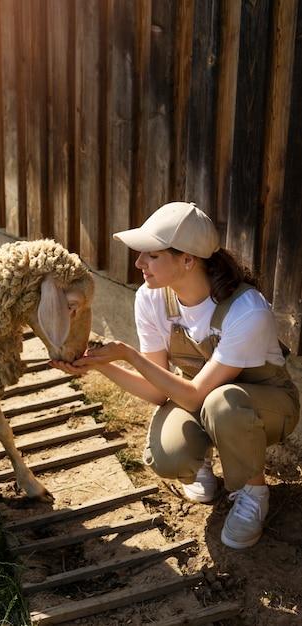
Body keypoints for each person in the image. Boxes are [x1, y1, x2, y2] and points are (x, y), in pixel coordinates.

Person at [51, 201, 300, 549]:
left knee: (221, 403)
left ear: (187, 260)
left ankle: (253, 492)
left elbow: (198, 396)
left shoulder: (247, 310)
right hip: (202, 397)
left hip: (268, 406)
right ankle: (202, 462)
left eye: (151, 255)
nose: (139, 263)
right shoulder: (151, 300)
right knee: (166, 455)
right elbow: (158, 394)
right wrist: (100, 364)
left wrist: (129, 355)